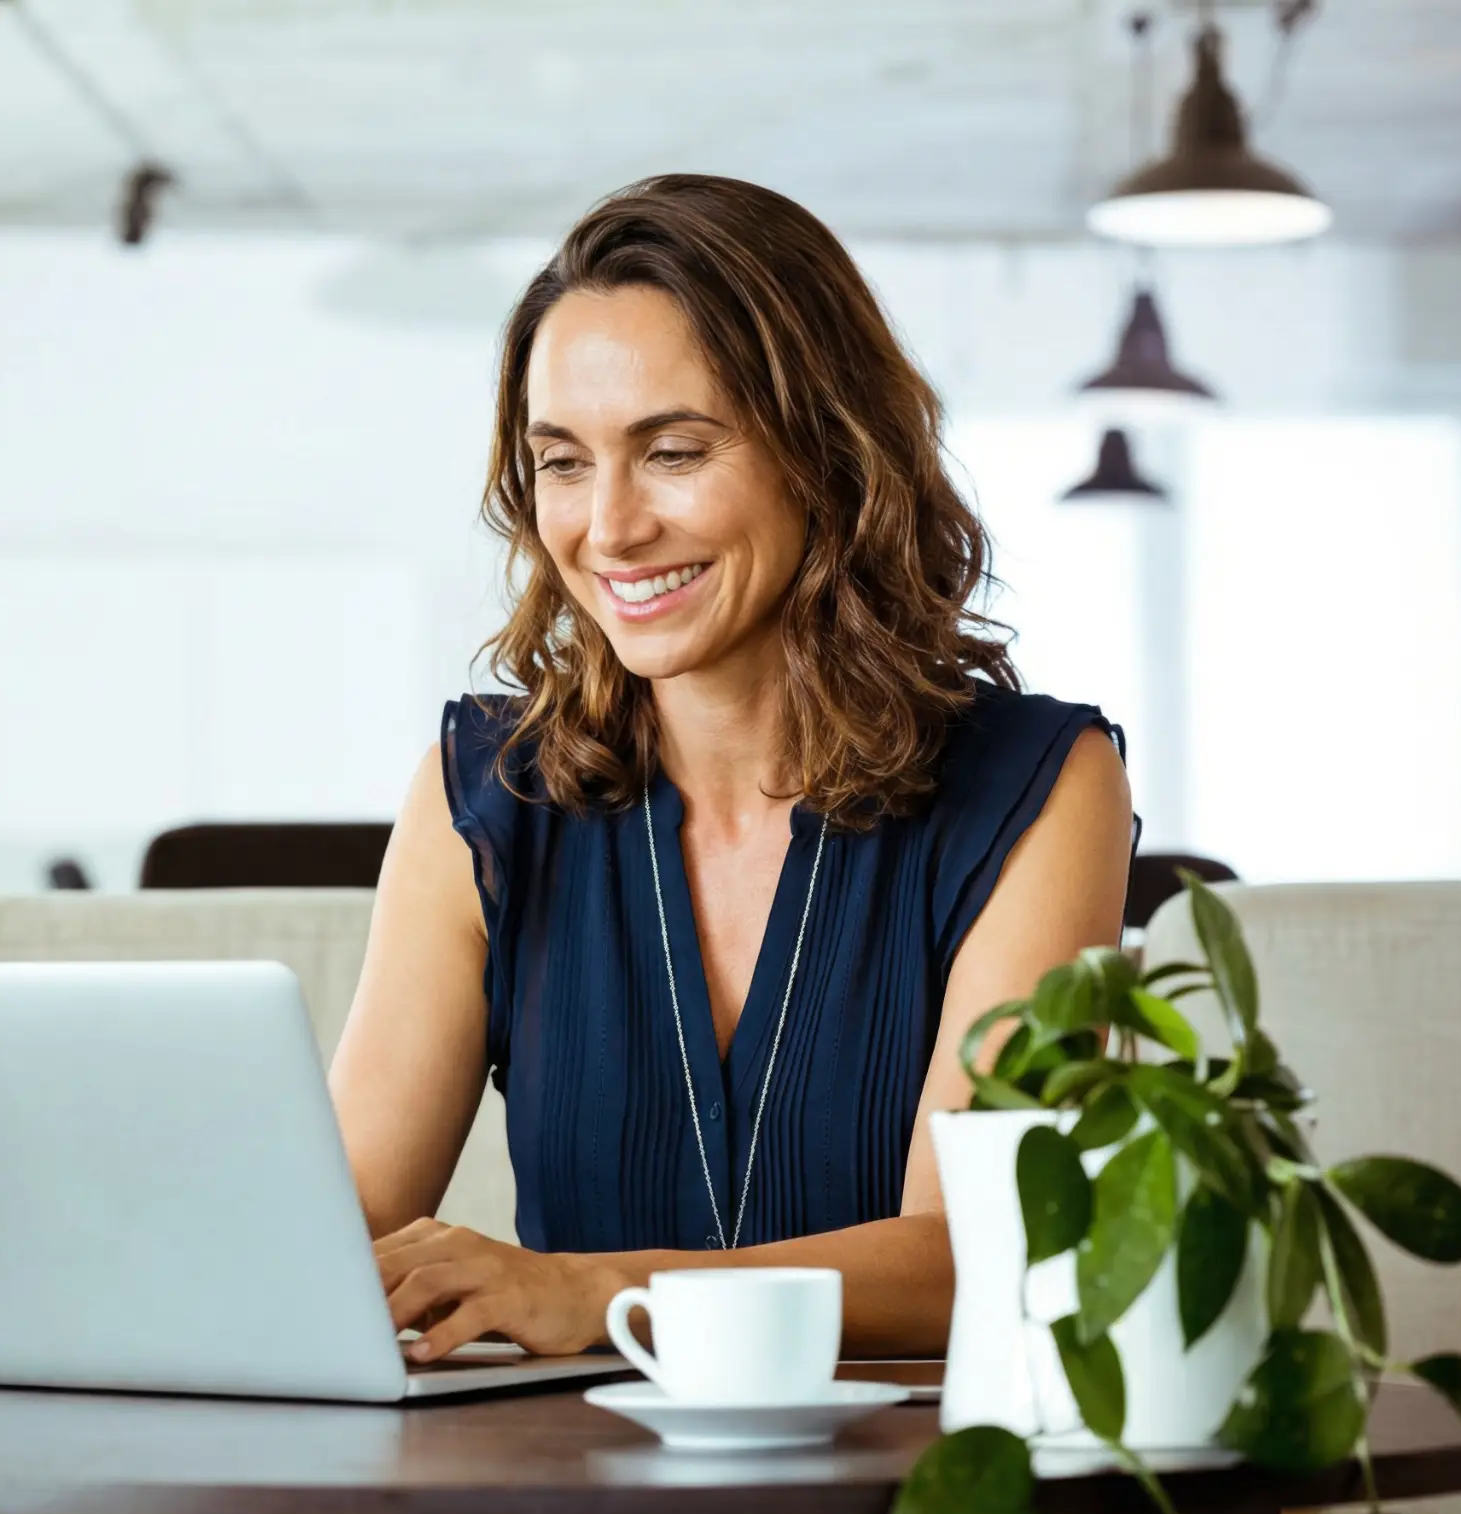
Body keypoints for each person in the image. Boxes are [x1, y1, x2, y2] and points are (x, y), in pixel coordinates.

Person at [328, 174, 1134, 1363]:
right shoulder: (486, 793)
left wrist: (593, 1290)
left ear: (828, 451)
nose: (606, 528)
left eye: (673, 451)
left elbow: (976, 1249)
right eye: (561, 461)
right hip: (568, 1490)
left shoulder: (1035, 784)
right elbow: (336, 1235)